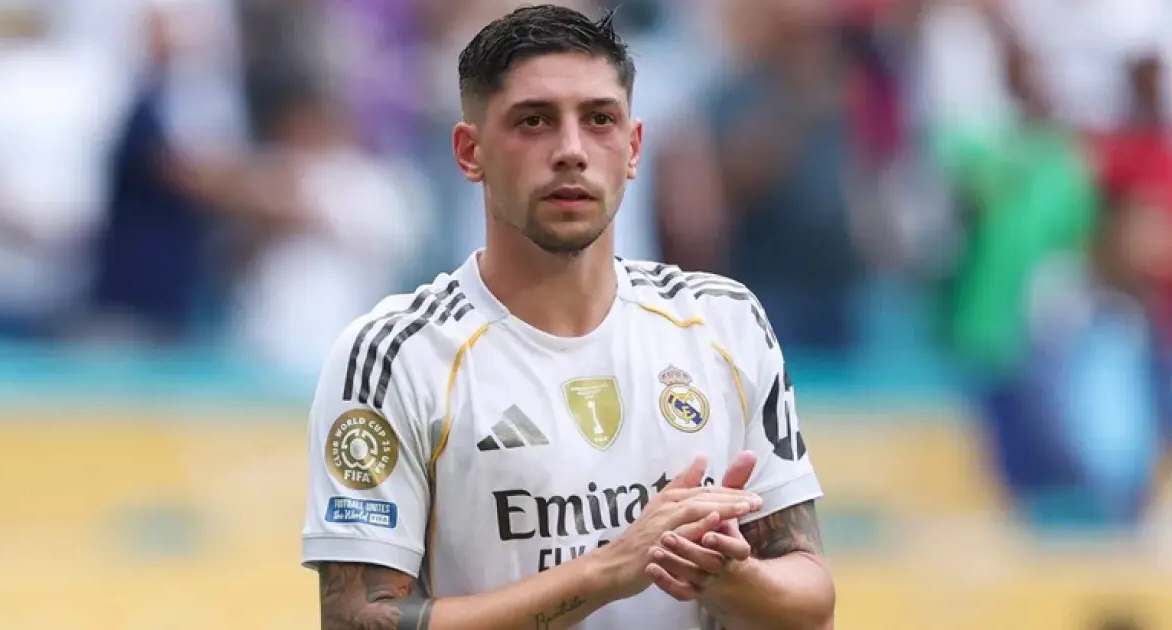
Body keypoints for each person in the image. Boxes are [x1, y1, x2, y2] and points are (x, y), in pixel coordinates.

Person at [300, 5, 834, 629]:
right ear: (470, 152)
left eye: (600, 119)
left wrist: (731, 578)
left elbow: (813, 605)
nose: (572, 151)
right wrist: (607, 571)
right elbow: (355, 620)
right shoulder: (396, 357)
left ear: (633, 148)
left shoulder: (724, 323)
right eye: (534, 121)